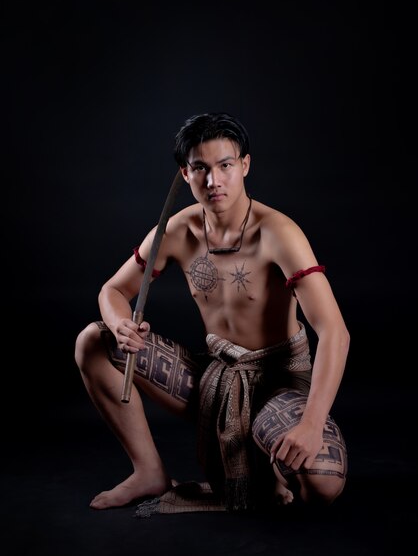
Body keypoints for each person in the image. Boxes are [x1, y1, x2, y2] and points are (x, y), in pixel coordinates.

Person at [75, 112, 350, 514]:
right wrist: (120, 324)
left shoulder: (279, 233)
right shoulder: (177, 229)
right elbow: (113, 289)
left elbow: (335, 333)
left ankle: (266, 458)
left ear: (245, 165)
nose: (213, 181)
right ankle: (148, 470)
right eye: (200, 168)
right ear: (185, 173)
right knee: (93, 341)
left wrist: (310, 425)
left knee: (322, 485)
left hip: (279, 383)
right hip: (214, 380)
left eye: (225, 166)